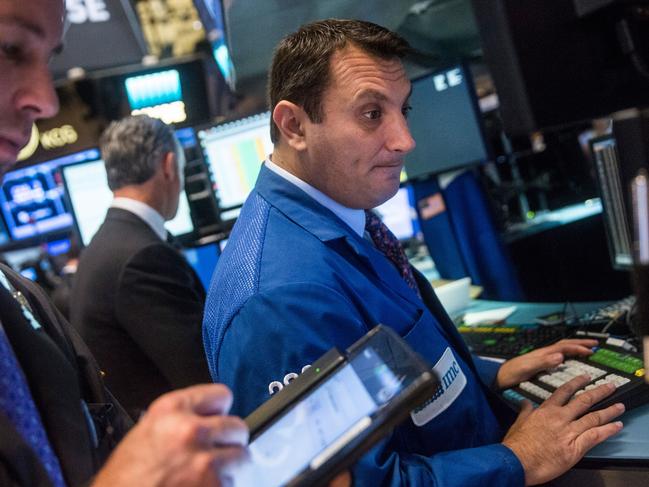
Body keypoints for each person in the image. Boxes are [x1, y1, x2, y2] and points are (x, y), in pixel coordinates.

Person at [203, 18, 625, 486]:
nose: (405, 139)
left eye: (404, 110)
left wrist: (487, 374)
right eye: (371, 114)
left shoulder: (338, 212)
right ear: (294, 125)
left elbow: (382, 369)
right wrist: (516, 461)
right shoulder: (277, 301)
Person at [0, 1, 248, 485]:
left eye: (48, 59)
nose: (46, 101)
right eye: (10, 48)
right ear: (170, 169)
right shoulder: (140, 257)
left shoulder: (18, 291)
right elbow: (210, 385)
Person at [70, 115, 211, 418]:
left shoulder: (107, 243)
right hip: (175, 443)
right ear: (169, 166)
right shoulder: (143, 257)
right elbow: (204, 374)